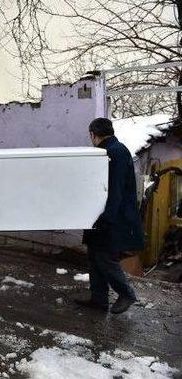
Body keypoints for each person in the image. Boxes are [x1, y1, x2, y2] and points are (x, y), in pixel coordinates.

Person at [77, 118, 144, 314]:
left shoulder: (115, 152)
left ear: (93, 134)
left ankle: (126, 294)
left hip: (112, 218)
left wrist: (107, 217)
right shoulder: (110, 150)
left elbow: (115, 189)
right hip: (101, 215)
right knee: (94, 256)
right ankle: (99, 299)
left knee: (105, 258)